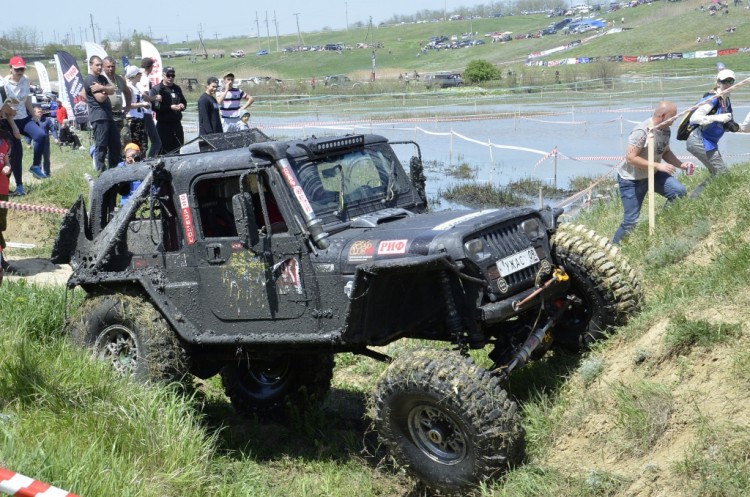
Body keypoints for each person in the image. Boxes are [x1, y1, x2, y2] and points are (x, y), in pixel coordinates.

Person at [612, 101, 689, 245]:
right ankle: (614, 249)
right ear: (662, 115)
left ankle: (661, 225)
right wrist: (657, 165)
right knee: (631, 221)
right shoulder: (641, 131)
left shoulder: (665, 129)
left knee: (679, 192)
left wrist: (681, 165)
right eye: (673, 117)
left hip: (653, 173)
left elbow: (665, 151)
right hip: (631, 180)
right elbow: (631, 158)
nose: (674, 120)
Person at [686, 68, 739, 197]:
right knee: (723, 173)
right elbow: (693, 118)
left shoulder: (725, 100)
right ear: (718, 82)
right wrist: (718, 118)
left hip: (709, 142)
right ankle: (696, 199)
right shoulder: (712, 98)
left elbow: (725, 122)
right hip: (699, 140)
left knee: (717, 173)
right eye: (724, 81)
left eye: (730, 81)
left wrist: (731, 126)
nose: (727, 84)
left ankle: (697, 197)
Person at [2, 56, 52, 192]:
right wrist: (14, 128)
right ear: (10, 68)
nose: (20, 71)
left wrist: (34, 115)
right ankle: (19, 186)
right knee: (17, 154)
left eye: (22, 68)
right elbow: (5, 109)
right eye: (17, 69)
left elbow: (27, 100)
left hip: (24, 118)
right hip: (10, 121)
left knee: (41, 135)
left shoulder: (25, 80)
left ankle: (35, 166)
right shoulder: (4, 84)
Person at [83, 55, 120, 172]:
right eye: (97, 65)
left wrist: (102, 87)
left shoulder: (102, 79)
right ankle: (100, 171)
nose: (99, 67)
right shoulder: (90, 79)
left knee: (115, 144)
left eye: (100, 65)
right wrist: (106, 89)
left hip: (108, 116)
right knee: (102, 145)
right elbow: (100, 98)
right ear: (90, 65)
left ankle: (113, 171)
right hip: (99, 116)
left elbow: (113, 88)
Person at [150, 66, 187, 154]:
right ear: (163, 75)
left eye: (173, 75)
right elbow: (155, 107)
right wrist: (170, 108)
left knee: (178, 149)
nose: (170, 77)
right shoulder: (157, 89)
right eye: (168, 75)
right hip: (164, 125)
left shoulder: (177, 88)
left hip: (177, 124)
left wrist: (182, 106)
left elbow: (184, 103)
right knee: (163, 151)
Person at [102, 56, 132, 146]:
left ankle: (126, 158)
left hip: (119, 114)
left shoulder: (120, 79)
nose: (111, 69)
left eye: (113, 66)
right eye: (108, 67)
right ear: (103, 67)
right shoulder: (100, 79)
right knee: (111, 141)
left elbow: (127, 92)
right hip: (107, 114)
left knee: (126, 137)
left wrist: (128, 106)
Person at [138, 58, 161, 158]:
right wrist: (155, 98)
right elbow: (144, 96)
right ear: (151, 67)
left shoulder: (138, 75)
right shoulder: (144, 77)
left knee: (143, 142)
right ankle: (149, 162)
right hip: (145, 112)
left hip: (139, 112)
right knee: (156, 142)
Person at [27, 106, 59, 178]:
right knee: (38, 160)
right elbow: (28, 134)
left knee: (46, 159)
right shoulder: (32, 121)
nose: (40, 113)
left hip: (45, 143)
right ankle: (38, 174)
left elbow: (53, 129)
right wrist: (28, 143)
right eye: (38, 112)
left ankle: (47, 173)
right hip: (36, 143)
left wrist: (56, 138)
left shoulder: (47, 120)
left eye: (41, 112)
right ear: (34, 113)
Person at [124, 65, 149, 153]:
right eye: (139, 74)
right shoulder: (129, 88)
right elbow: (128, 105)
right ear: (135, 75)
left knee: (143, 145)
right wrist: (142, 104)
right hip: (132, 118)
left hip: (140, 118)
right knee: (135, 145)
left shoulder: (137, 87)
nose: (141, 76)